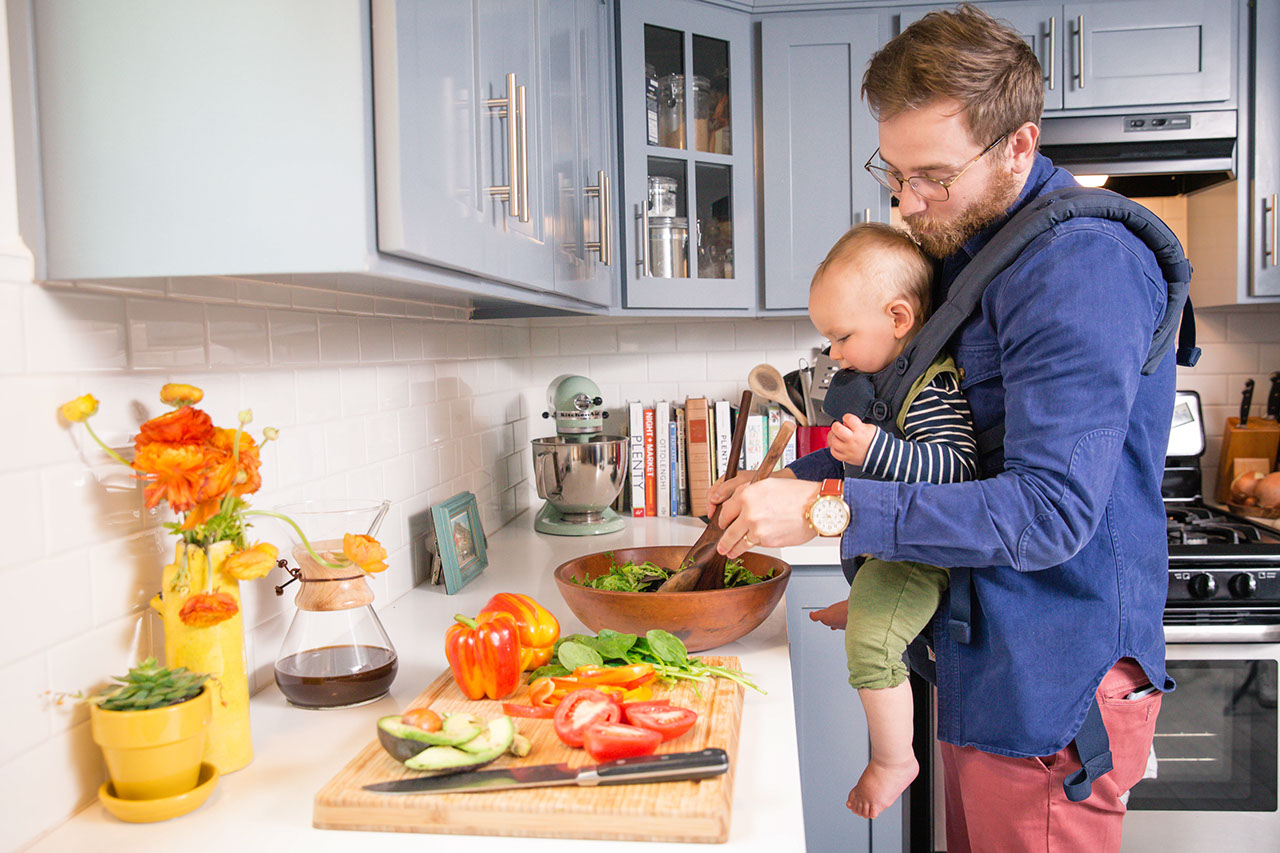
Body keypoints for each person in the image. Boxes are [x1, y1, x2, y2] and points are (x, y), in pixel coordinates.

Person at [709, 6, 1173, 851]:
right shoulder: (973, 249)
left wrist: (830, 512)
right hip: (987, 666)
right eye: (892, 172)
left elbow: (1047, 513)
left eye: (932, 176)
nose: (906, 201)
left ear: (1019, 147)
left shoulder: (1082, 270)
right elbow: (942, 441)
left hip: (1050, 689)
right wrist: (799, 480)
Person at [799, 221, 978, 819]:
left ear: (899, 319)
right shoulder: (890, 384)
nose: (834, 353)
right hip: (898, 549)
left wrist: (876, 451)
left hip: (923, 553)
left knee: (871, 652)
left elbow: (956, 469)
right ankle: (874, 605)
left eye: (842, 335)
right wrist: (772, 482)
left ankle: (894, 758)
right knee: (870, 622)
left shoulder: (932, 387)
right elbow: (834, 460)